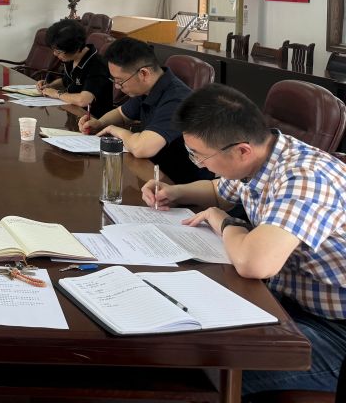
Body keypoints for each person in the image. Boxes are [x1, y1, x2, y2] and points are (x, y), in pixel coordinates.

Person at [144, 84, 346, 396]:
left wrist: (224, 221)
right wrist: (175, 192)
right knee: (176, 329)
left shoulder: (306, 177)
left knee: (204, 366)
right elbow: (218, 191)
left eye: (199, 156)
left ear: (241, 151)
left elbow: (255, 263)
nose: (200, 164)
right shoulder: (264, 156)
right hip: (287, 302)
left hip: (335, 330)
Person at [78, 37, 209, 184]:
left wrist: (114, 130)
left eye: (120, 81)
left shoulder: (177, 99)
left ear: (144, 74)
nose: (117, 87)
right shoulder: (148, 87)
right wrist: (99, 123)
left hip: (180, 184)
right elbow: (121, 114)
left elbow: (142, 148)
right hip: (153, 171)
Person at [36, 19, 113, 118]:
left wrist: (56, 94)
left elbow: (83, 100)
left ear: (75, 48)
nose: (54, 54)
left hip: (94, 119)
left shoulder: (97, 65)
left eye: (58, 52)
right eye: (53, 50)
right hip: (73, 113)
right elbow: (66, 81)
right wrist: (49, 86)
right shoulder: (71, 58)